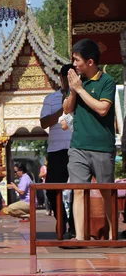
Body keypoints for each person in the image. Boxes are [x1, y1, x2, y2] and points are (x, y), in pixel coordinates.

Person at [63, 38, 116, 241]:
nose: (74, 64)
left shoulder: (107, 82)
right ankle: (80, 237)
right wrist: (74, 90)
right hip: (78, 146)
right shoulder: (78, 81)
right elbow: (67, 109)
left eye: (77, 60)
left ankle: (113, 236)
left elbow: (103, 109)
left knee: (107, 193)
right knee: (78, 190)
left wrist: (81, 89)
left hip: (102, 147)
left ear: (90, 62)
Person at [40, 64, 76, 237]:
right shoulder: (51, 98)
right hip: (56, 150)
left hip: (76, 148)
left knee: (78, 188)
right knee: (52, 189)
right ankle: (60, 220)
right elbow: (44, 123)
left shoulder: (81, 97)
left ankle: (75, 225)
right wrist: (63, 107)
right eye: (65, 77)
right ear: (61, 78)